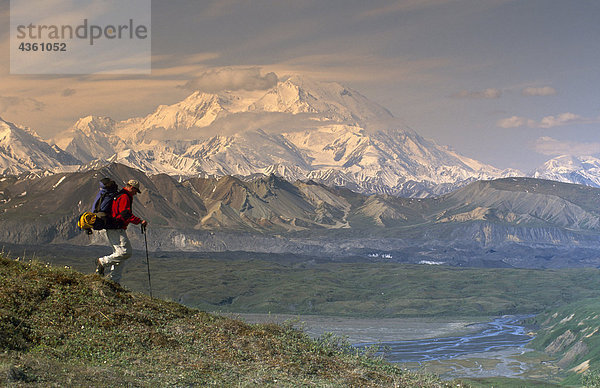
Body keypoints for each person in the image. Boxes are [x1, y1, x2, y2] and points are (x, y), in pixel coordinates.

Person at [96, 179, 148, 283]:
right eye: (135, 191)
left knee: (120, 255)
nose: (135, 194)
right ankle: (102, 262)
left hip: (113, 227)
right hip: (116, 228)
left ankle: (114, 281)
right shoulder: (124, 196)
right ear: (132, 188)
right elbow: (125, 214)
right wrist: (139, 221)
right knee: (126, 252)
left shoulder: (120, 194)